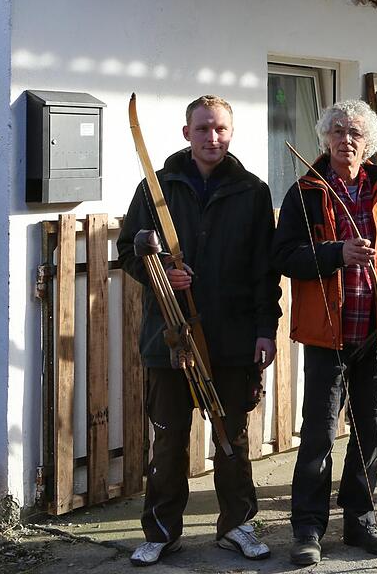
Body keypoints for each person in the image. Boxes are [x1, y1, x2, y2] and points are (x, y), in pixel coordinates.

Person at [117, 95, 280, 566]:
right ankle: (162, 532)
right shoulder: (156, 187)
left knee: (232, 439)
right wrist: (159, 270)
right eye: (204, 128)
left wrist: (265, 329)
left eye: (221, 129)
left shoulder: (252, 191)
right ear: (186, 133)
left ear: (231, 133)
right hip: (170, 339)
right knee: (168, 439)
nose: (213, 137)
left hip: (230, 340)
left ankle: (237, 526)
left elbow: (263, 271)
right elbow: (129, 251)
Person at [272, 100, 377, 565]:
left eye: (355, 132)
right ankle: (308, 528)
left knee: (370, 433)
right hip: (327, 336)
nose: (345, 139)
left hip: (376, 333)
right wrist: (338, 252)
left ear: (369, 141)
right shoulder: (306, 192)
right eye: (337, 131)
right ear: (325, 138)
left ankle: (359, 520)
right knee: (318, 434)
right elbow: (285, 256)